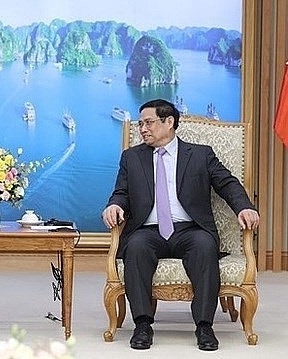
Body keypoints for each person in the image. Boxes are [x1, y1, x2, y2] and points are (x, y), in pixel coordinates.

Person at [102, 99, 259, 351]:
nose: (142, 128)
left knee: (205, 245)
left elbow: (227, 183)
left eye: (149, 123)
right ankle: (142, 325)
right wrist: (114, 205)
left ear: (169, 122)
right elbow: (121, 193)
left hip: (190, 229)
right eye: (141, 123)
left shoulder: (200, 154)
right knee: (136, 247)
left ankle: (205, 326)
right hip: (148, 230)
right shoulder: (132, 158)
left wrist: (245, 207)